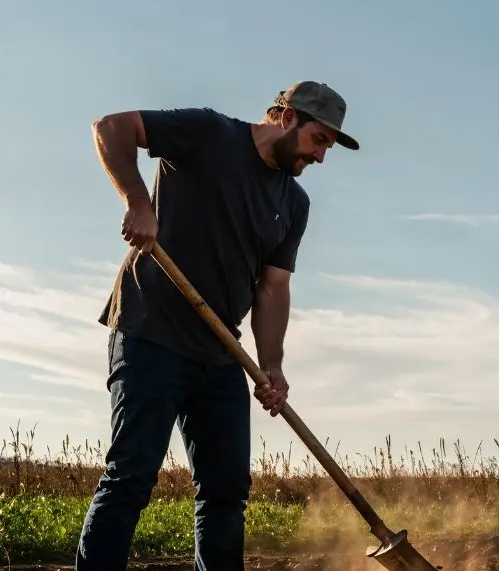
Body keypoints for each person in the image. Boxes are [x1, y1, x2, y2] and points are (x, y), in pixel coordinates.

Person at [76, 81, 360, 570]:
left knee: (227, 490)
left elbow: (272, 289)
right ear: (288, 118)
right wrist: (138, 201)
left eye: (328, 147)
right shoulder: (208, 133)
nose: (321, 157)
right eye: (319, 141)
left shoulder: (295, 204)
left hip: (220, 351)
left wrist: (271, 366)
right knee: (132, 476)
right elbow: (112, 128)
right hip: (152, 332)